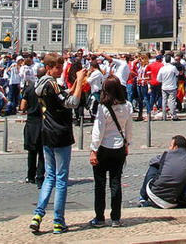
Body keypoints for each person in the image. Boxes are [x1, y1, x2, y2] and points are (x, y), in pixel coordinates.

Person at [30, 53, 87, 235]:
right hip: (60, 132)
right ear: (49, 68)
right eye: (58, 68)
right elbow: (72, 102)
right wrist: (78, 81)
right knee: (61, 179)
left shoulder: (40, 84)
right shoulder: (52, 84)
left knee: (49, 176)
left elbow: (61, 97)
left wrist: (75, 84)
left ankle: (38, 215)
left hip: (47, 131)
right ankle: (58, 221)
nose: (60, 70)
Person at [88, 75, 133, 228]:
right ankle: (116, 218)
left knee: (100, 185)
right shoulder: (127, 106)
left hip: (103, 148)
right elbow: (129, 128)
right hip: (119, 148)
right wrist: (127, 143)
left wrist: (93, 150)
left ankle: (99, 218)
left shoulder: (103, 107)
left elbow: (98, 131)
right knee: (116, 183)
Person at [140, 135, 186, 209]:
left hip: (154, 195)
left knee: (153, 167)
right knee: (185, 175)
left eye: (170, 145)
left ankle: (143, 197)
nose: (169, 148)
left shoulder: (166, 154)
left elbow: (152, 161)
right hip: (173, 201)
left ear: (175, 147)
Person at [20, 66, 46, 187]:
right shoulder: (47, 89)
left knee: (32, 152)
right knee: (42, 153)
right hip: (44, 122)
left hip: (31, 122)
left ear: (36, 76)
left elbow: (22, 107)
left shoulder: (30, 89)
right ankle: (40, 177)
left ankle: (30, 176)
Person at [157, 56, 180, 121]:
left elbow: (158, 79)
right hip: (172, 86)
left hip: (164, 86)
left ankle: (164, 116)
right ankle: (173, 115)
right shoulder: (173, 67)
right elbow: (177, 73)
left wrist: (163, 80)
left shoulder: (162, 68)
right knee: (172, 101)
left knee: (164, 101)